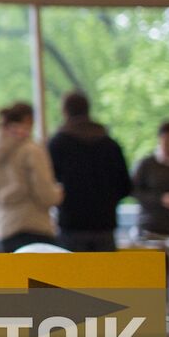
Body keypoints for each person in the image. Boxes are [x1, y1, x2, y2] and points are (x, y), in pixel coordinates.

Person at [0, 102, 64, 252]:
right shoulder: (31, 151)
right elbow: (46, 195)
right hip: (36, 228)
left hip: (6, 231)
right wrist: (58, 193)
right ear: (28, 120)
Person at [48, 92, 132, 252]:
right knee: (104, 268)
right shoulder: (110, 145)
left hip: (71, 224)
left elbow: (49, 183)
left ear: (65, 112)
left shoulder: (58, 144)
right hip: (105, 223)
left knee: (72, 268)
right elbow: (125, 186)